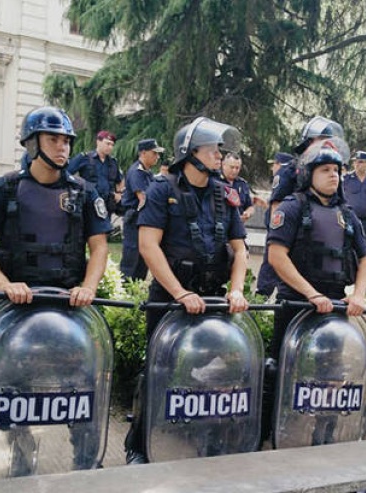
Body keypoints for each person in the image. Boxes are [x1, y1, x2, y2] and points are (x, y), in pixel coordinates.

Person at [0, 106, 112, 474]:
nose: (63, 148)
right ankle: (20, 450)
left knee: (82, 395)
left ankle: (85, 463)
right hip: (19, 312)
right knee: (13, 394)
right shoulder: (6, 189)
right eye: (54, 139)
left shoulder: (84, 191)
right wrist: (4, 284)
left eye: (66, 140)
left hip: (70, 311)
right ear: (32, 143)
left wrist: (88, 287)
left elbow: (99, 247)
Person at [124, 117, 249, 464]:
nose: (219, 155)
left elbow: (239, 250)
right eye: (212, 149)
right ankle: (140, 447)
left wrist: (236, 290)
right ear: (189, 153)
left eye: (219, 150)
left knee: (213, 374)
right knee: (157, 372)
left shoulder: (225, 193)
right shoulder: (162, 189)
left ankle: (203, 439)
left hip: (212, 298)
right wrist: (179, 293)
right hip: (169, 299)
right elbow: (149, 246)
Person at [265, 137, 366, 444]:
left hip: (335, 304)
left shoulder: (347, 214)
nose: (333, 175)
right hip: (296, 301)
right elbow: (276, 255)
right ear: (308, 174)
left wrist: (359, 295)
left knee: (331, 374)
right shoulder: (292, 207)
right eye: (325, 169)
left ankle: (323, 433)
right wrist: (311, 294)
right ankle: (270, 431)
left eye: (336, 170)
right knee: (278, 367)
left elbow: (365, 258)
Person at [257, 117, 344, 297]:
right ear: (310, 141)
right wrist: (280, 235)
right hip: (287, 234)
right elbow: (277, 208)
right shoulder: (289, 170)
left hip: (315, 240)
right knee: (273, 275)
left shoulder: (331, 171)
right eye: (324, 140)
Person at [120, 138, 165, 281]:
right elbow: (144, 198)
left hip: (143, 220)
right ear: (143, 153)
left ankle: (137, 287)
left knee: (142, 258)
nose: (157, 157)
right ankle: (125, 290)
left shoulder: (148, 172)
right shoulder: (137, 172)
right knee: (131, 257)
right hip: (134, 219)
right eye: (154, 153)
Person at [67, 130, 124, 219]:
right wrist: (79, 186)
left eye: (112, 145)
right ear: (98, 142)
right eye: (107, 144)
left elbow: (119, 180)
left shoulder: (113, 162)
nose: (110, 147)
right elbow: (66, 173)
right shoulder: (84, 158)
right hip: (89, 203)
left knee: (106, 230)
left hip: (107, 205)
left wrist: (119, 194)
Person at [343, 150, 366, 252]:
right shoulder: (346, 179)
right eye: (355, 161)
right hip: (350, 220)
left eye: (361, 162)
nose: (357, 164)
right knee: (349, 249)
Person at [220, 151, 255, 222]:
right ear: (223, 165)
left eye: (237, 168)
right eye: (232, 167)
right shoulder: (215, 181)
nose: (234, 171)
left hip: (237, 227)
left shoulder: (242, 184)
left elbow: (250, 206)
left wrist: (248, 213)